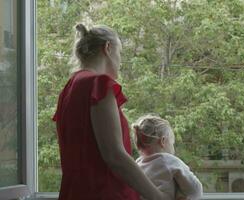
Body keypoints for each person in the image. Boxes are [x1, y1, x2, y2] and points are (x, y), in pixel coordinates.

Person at [52, 24, 169, 200]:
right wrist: (159, 197)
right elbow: (115, 156)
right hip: (105, 194)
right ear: (108, 48)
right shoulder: (98, 85)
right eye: (119, 53)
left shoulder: (69, 88)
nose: (120, 61)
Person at [132, 114, 203, 200]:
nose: (173, 147)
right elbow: (195, 189)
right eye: (172, 143)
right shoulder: (169, 161)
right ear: (163, 141)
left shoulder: (136, 164)